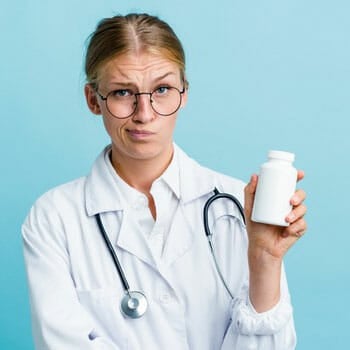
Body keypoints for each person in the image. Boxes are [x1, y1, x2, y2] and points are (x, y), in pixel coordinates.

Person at [22, 13, 307, 350]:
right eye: (122, 92)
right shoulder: (55, 218)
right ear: (92, 99)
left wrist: (264, 261)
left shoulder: (236, 205)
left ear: (184, 93)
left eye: (162, 89)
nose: (144, 112)